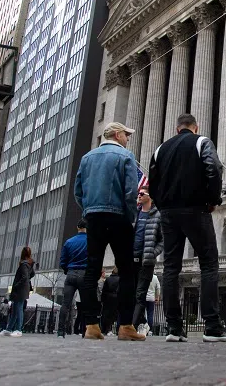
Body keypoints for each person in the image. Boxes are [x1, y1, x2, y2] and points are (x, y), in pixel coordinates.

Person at [149, 113, 226, 343]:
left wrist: (162, 206)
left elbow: (153, 182)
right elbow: (214, 169)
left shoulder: (160, 149)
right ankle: (212, 327)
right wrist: (212, 199)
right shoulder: (201, 142)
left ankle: (174, 328)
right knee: (209, 263)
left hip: (168, 214)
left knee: (170, 268)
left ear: (177, 128)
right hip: (196, 209)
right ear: (194, 127)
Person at [73, 121, 143, 341]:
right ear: (116, 134)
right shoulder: (125, 156)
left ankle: (91, 325)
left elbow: (78, 191)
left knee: (92, 269)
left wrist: (89, 210)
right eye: (125, 134)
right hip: (119, 217)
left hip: (94, 217)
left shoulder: (87, 158)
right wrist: (130, 216)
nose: (127, 138)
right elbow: (131, 190)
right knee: (126, 271)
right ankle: (125, 326)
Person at [132, 187, 163, 336]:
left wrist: (151, 253)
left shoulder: (158, 215)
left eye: (141, 194)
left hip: (146, 262)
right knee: (130, 293)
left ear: (149, 197)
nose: (138, 195)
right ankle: (143, 322)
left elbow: (163, 241)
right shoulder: (135, 214)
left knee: (139, 294)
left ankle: (132, 327)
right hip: (131, 260)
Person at [58, 218, 88, 337]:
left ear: (77, 228)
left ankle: (61, 331)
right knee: (85, 305)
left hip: (70, 274)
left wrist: (67, 270)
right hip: (84, 274)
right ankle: (85, 331)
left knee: (65, 304)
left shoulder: (69, 242)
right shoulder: (90, 241)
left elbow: (62, 261)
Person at [1, 246, 35, 337]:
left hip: (20, 289)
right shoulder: (29, 264)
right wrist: (27, 279)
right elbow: (32, 274)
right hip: (24, 288)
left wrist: (17, 284)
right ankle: (9, 329)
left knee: (18, 309)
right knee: (16, 309)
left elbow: (24, 277)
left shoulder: (24, 264)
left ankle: (18, 329)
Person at [101, 267, 120, 335]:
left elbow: (104, 290)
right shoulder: (120, 279)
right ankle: (118, 329)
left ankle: (108, 329)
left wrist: (102, 299)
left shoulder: (108, 279)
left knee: (108, 314)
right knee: (117, 314)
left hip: (108, 298)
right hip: (117, 298)